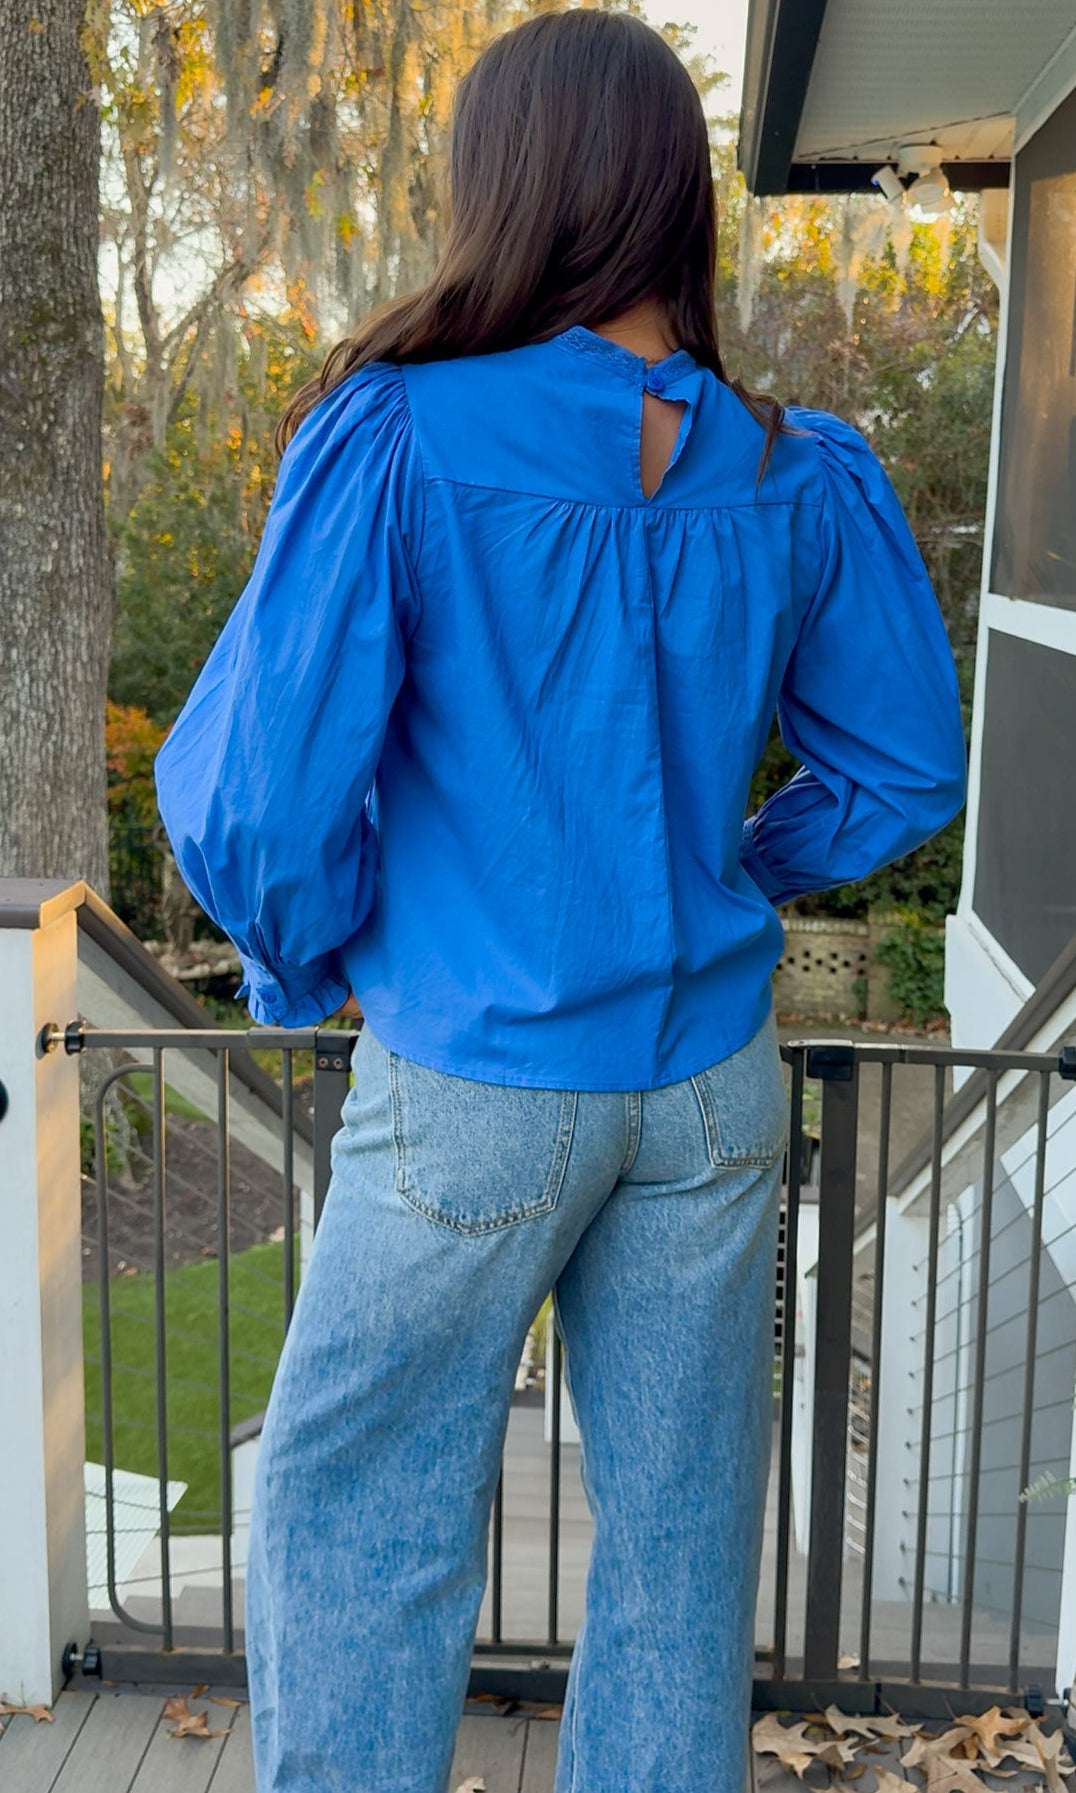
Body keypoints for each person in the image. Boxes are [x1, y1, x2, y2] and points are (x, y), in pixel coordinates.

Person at [153, 9, 967, 1790]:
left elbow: (256, 799)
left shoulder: (400, 435)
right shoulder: (793, 466)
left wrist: (310, 951)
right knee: (681, 1549)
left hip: (479, 1076)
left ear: (504, 187)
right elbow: (909, 768)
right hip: (710, 1094)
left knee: (357, 1512)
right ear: (676, 195)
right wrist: (735, 867)